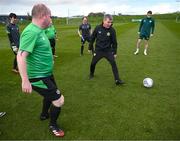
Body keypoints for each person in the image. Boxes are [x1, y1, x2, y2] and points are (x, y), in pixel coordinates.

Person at [17, 4, 64, 137]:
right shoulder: (31, 32)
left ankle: (44, 115)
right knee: (59, 100)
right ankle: (53, 125)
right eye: (50, 15)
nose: (51, 18)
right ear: (43, 16)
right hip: (38, 76)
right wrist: (25, 80)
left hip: (46, 73)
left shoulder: (39, 30)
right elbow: (20, 56)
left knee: (49, 96)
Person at [89, 14, 124, 85]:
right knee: (93, 63)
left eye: (111, 22)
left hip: (108, 51)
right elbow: (92, 38)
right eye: (108, 22)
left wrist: (115, 52)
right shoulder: (97, 28)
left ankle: (117, 80)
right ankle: (91, 74)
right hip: (98, 50)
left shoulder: (112, 30)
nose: (110, 24)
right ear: (104, 21)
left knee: (113, 63)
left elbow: (114, 42)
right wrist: (90, 47)